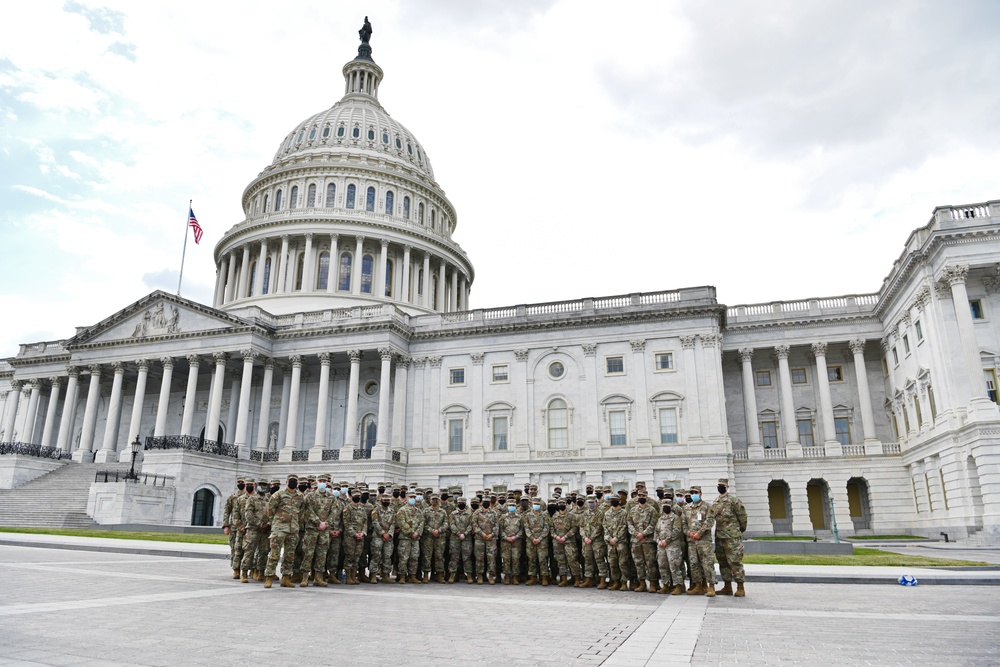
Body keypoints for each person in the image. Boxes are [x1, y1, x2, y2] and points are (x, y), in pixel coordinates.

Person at [264, 474, 305, 588]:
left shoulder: (300, 497)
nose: (293, 483)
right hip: (279, 528)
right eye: (291, 481)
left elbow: (301, 512)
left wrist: (296, 523)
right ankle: (269, 577)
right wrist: (275, 523)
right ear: (286, 482)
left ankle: (286, 578)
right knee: (274, 554)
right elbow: (270, 510)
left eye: (295, 481)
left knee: (290, 555)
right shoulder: (278, 495)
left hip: (293, 529)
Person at [711, 478, 748, 597]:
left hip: (732, 537)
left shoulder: (734, 501)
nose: (720, 487)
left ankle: (740, 587)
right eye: (718, 485)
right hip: (720, 536)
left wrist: (738, 530)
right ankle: (727, 586)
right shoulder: (716, 502)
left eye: (722, 485)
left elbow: (742, 518)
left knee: (735, 562)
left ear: (727, 487)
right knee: (723, 562)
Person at [682, 485, 717, 597]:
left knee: (707, 563)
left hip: (704, 540)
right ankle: (698, 586)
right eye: (692, 493)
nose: (694, 495)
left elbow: (710, 522)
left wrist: (699, 533)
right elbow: (683, 524)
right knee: (693, 563)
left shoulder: (707, 506)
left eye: (695, 492)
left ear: (700, 493)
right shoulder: (687, 508)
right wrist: (690, 533)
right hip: (691, 541)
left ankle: (711, 586)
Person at [654, 488, 686, 594]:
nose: (665, 508)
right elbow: (656, 532)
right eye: (664, 506)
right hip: (661, 546)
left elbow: (676, 531)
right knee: (663, 565)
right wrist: (658, 541)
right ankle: (666, 584)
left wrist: (666, 541)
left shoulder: (675, 518)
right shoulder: (660, 519)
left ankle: (678, 585)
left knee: (674, 565)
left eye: (667, 506)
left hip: (673, 546)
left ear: (671, 507)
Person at [627, 489, 658, 593]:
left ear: (646, 497)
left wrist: (643, 534)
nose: (641, 497)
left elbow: (653, 524)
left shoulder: (652, 510)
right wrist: (636, 534)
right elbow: (629, 524)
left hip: (647, 541)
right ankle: (642, 583)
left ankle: (653, 583)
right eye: (639, 495)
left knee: (650, 563)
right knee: (638, 563)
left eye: (643, 496)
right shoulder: (633, 510)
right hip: (635, 541)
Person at [550, 497, 581, 587]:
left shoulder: (571, 516)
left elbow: (574, 528)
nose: (561, 505)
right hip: (557, 542)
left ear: (566, 505)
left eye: (563, 503)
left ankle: (577, 579)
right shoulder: (554, 516)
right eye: (559, 504)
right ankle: (563, 579)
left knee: (572, 560)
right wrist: (556, 536)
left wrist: (566, 536)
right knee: (560, 561)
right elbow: (551, 528)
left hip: (569, 541)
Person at [578, 494, 608, 589]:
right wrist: (585, 537)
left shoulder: (600, 514)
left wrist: (591, 537)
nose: (590, 504)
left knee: (599, 560)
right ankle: (588, 579)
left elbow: (599, 527)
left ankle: (602, 579)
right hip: (586, 541)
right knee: (587, 560)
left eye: (592, 502)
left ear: (596, 502)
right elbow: (581, 527)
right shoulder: (584, 514)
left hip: (597, 541)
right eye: (589, 502)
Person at [395, 491, 424, 583]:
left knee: (414, 557)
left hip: (415, 539)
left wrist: (417, 533)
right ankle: (402, 576)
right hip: (405, 538)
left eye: (414, 497)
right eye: (410, 497)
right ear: (406, 498)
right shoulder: (402, 510)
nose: (412, 498)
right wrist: (411, 532)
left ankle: (412, 576)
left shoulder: (418, 511)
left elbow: (421, 523)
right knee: (403, 557)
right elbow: (401, 523)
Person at [342, 490, 369, 585]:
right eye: (355, 495)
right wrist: (354, 533)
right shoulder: (347, 508)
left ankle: (354, 576)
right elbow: (346, 523)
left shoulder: (362, 508)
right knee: (349, 556)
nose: (357, 497)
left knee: (357, 556)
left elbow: (365, 522)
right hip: (350, 537)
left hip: (360, 536)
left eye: (358, 496)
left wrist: (362, 533)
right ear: (352, 496)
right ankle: (348, 577)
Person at [369, 492, 396, 583]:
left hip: (388, 537)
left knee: (387, 556)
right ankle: (373, 574)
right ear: (381, 501)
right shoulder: (375, 511)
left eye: (388, 500)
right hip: (377, 537)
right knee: (376, 555)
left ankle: (386, 575)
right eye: (385, 500)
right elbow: (375, 523)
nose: (386, 502)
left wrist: (389, 534)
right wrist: (382, 533)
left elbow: (393, 523)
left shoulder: (392, 511)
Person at [472, 494, 500, 584]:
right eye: (484, 502)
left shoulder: (494, 512)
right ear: (481, 502)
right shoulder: (477, 512)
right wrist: (482, 533)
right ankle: (479, 576)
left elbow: (497, 525)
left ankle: (491, 576)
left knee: (491, 558)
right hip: (480, 538)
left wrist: (492, 534)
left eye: (487, 502)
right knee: (479, 558)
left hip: (491, 539)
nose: (486, 503)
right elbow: (474, 525)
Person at [421, 494, 449, 582]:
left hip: (440, 537)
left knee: (439, 556)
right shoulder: (426, 511)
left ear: (439, 500)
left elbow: (446, 523)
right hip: (428, 537)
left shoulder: (443, 511)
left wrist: (439, 530)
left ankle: (440, 575)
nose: (435, 501)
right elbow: (423, 523)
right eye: (433, 499)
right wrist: (431, 530)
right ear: (430, 500)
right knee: (427, 556)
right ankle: (426, 574)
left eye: (436, 499)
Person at [447, 496, 474, 583]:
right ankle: (452, 575)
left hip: (466, 539)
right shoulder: (453, 514)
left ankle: (469, 576)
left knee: (467, 557)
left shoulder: (469, 514)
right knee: (454, 557)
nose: (461, 504)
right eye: (460, 503)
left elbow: (471, 525)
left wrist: (465, 534)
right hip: (455, 539)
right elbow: (451, 525)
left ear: (465, 504)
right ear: (457, 504)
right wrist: (459, 533)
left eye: (463, 503)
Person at [223, 478, 246, 579]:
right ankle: (236, 569)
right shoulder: (233, 497)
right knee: (234, 549)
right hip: (234, 527)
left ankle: (246, 569)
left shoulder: (251, 496)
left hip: (246, 527)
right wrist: (226, 525)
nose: (240, 484)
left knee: (246, 549)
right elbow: (227, 511)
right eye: (239, 483)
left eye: (242, 483)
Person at [499, 498, 524, 584]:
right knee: (506, 559)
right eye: (510, 505)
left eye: (513, 505)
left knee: (516, 559)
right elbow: (500, 530)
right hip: (505, 542)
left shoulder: (519, 517)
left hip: (516, 542)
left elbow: (522, 530)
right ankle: (506, 577)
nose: (512, 507)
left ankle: (515, 577)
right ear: (507, 506)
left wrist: (516, 536)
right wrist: (506, 537)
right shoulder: (503, 517)